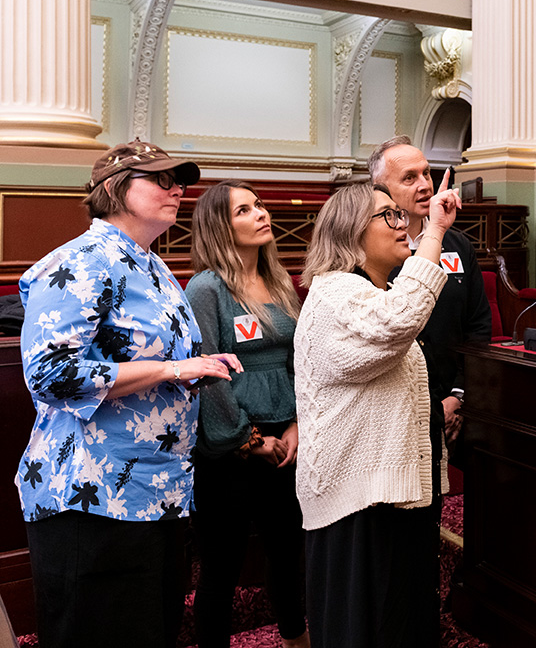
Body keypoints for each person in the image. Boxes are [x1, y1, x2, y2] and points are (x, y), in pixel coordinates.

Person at [16, 139, 242, 648]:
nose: (177, 189)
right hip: (91, 497)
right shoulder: (80, 260)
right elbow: (50, 374)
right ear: (116, 189)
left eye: (179, 181)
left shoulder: (151, 265)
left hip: (157, 492)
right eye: (161, 179)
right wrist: (170, 369)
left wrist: (194, 371)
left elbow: (150, 364)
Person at [295, 180, 461, 648]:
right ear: (350, 231)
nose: (402, 224)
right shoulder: (335, 293)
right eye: (389, 215)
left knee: (401, 625)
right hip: (356, 504)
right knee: (365, 630)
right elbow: (401, 318)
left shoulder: (370, 292)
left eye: (400, 214)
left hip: (388, 496)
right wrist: (434, 232)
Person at [185, 180, 309, 648]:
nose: (260, 214)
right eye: (244, 210)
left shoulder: (279, 281)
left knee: (288, 552)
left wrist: (297, 423)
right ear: (220, 226)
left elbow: (299, 360)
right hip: (231, 446)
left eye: (259, 205)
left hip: (287, 439)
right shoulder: (206, 288)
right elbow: (207, 369)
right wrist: (247, 439)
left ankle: (296, 638)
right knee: (222, 565)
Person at [368, 137, 492, 456]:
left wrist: (458, 395)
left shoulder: (459, 245)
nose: (424, 184)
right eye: (409, 178)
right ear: (381, 189)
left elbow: (478, 327)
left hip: (458, 402)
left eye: (426, 173)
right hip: (395, 410)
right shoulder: (372, 253)